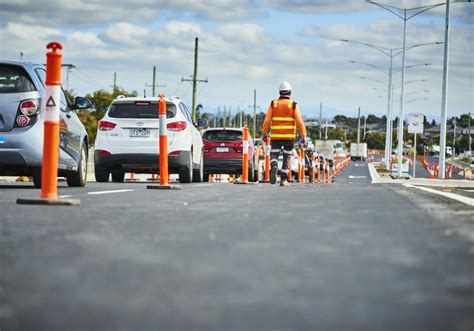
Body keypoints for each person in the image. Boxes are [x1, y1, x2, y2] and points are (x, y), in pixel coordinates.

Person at [261, 81, 307, 186]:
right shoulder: (293, 105)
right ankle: (283, 180)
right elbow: (300, 122)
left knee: (274, 154)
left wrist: (264, 133)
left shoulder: (274, 104)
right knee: (287, 157)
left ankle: (274, 165)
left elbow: (267, 120)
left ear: (279, 92)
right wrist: (303, 136)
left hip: (276, 137)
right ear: (290, 92)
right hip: (289, 138)